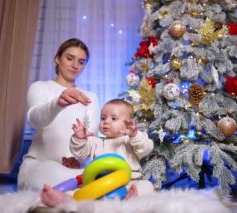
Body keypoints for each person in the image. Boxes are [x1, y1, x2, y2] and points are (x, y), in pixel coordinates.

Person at [17, 38, 99, 191]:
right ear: (57, 58)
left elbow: (90, 138)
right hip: (40, 166)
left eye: (81, 62)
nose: (75, 65)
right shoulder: (40, 87)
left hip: (76, 170)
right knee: (62, 178)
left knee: (101, 177)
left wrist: (78, 160)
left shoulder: (90, 97)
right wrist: (57, 103)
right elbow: (35, 119)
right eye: (69, 58)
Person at [41, 99, 155, 207]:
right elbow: (79, 152)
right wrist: (79, 138)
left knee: (147, 186)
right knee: (80, 191)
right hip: (99, 185)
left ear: (127, 124)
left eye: (113, 118)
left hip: (128, 181)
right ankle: (61, 199)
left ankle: (133, 196)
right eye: (103, 118)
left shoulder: (129, 141)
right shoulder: (95, 141)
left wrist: (135, 135)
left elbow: (146, 148)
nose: (106, 122)